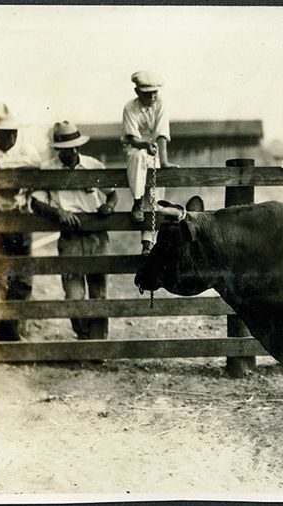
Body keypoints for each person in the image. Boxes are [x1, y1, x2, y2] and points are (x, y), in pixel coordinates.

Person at [31, 121, 118, 340]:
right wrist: (57, 212)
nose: (71, 152)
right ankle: (84, 338)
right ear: (58, 149)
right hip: (69, 237)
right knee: (73, 294)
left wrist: (109, 206)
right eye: (65, 148)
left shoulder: (93, 166)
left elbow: (112, 193)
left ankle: (97, 344)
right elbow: (36, 202)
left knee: (98, 291)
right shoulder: (48, 170)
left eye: (74, 146)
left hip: (96, 236)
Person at [0, 103, 42, 341]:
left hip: (21, 220)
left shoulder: (26, 151)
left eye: (14, 132)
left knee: (22, 276)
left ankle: (17, 328)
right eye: (6, 132)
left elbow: (35, 166)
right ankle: (5, 328)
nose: (11, 137)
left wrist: (3, 166)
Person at [122, 70, 176, 255]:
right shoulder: (130, 107)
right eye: (147, 93)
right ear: (137, 92)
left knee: (154, 199)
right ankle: (137, 202)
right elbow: (133, 139)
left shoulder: (161, 105)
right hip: (136, 148)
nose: (153, 97)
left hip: (155, 153)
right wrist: (145, 144)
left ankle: (148, 243)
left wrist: (165, 161)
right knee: (138, 157)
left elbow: (162, 134)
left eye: (155, 92)